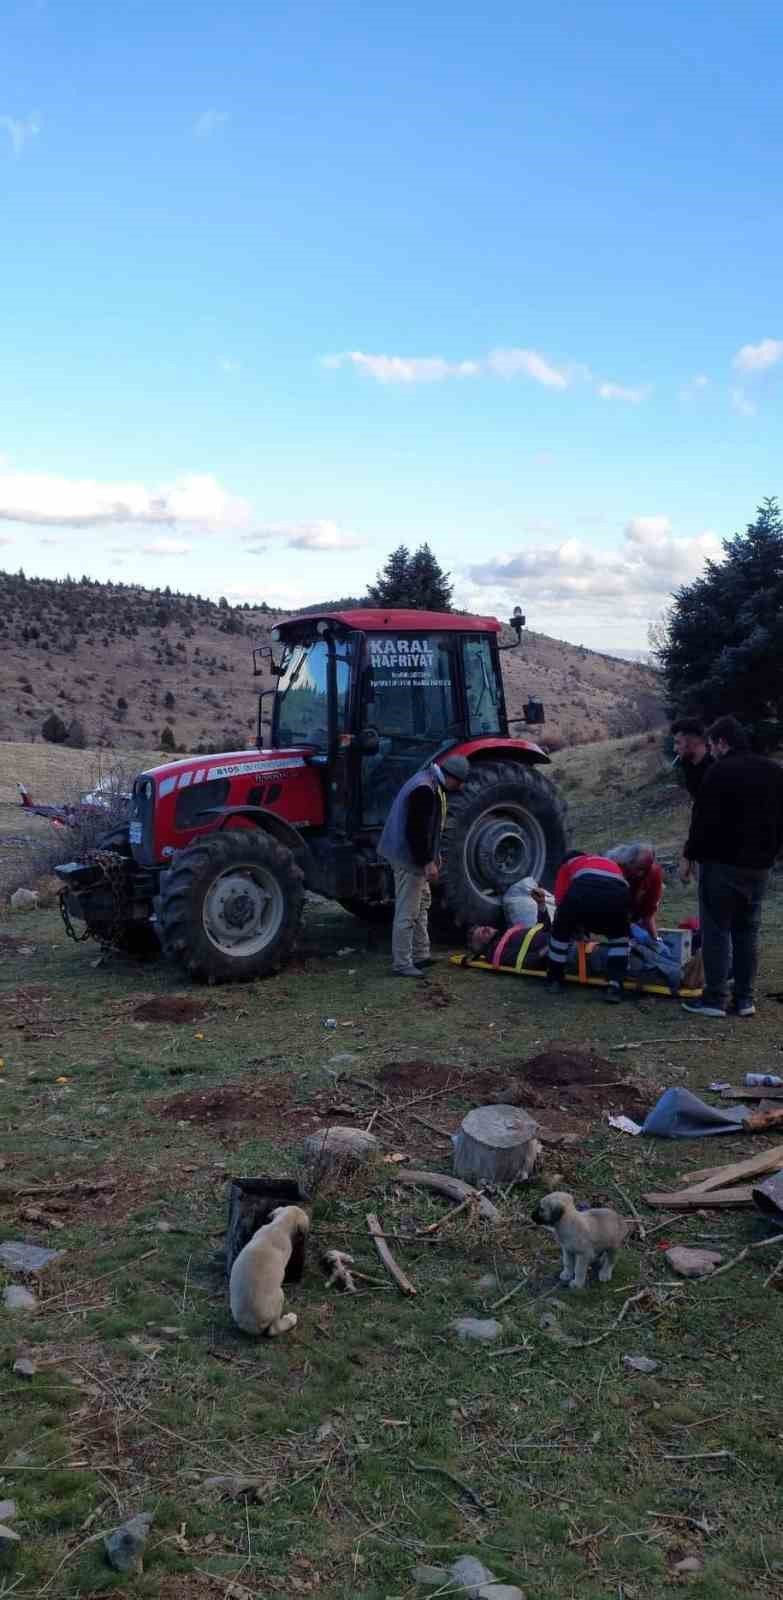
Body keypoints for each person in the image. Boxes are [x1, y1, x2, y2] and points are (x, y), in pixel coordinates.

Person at [680, 715, 783, 1019]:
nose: (710, 751)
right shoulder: (774, 771)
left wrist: (691, 855)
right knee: (747, 930)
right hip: (759, 867)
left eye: (712, 745)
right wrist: (773, 854)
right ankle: (744, 1000)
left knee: (716, 930)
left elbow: (702, 821)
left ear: (723, 743)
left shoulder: (719, 771)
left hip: (722, 865)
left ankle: (714, 1000)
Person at [378, 754, 470, 977]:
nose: (459, 787)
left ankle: (421, 955)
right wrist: (427, 862)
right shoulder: (424, 789)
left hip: (413, 855)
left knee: (422, 903)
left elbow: (429, 828)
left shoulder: (430, 781)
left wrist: (435, 855)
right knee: (407, 911)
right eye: (459, 783)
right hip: (407, 858)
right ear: (451, 777)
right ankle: (402, 964)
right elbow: (416, 832)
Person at [546, 849, 631, 1003]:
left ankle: (555, 980)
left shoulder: (568, 864)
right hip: (617, 895)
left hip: (584, 890)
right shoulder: (606, 862)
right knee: (619, 938)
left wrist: (570, 923)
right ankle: (615, 986)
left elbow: (560, 900)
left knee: (560, 933)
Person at [606, 841, 663, 938]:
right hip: (610, 916)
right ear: (628, 862)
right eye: (638, 868)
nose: (640, 874)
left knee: (646, 943)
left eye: (645, 870)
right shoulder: (613, 868)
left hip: (635, 914)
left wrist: (656, 939)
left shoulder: (654, 873)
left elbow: (648, 912)